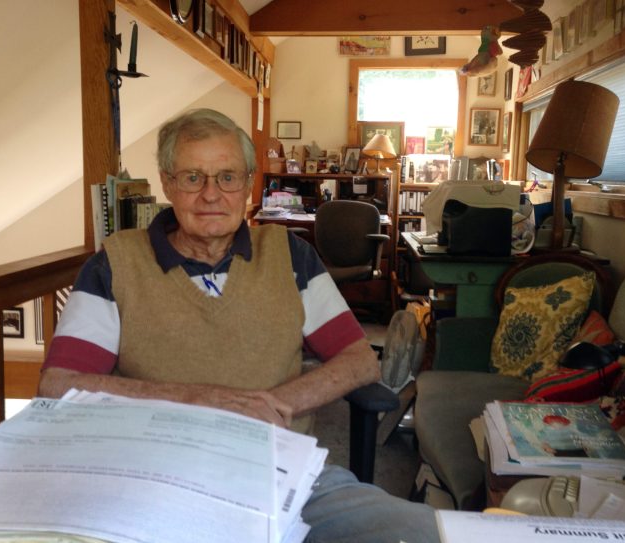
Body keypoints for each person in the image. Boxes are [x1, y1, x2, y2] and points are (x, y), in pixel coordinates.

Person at [38, 108, 439, 543]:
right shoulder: (115, 265)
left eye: (227, 177)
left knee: (420, 533)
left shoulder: (290, 255)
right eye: (193, 177)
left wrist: (273, 406)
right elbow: (59, 385)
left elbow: (360, 361)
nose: (211, 194)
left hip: (282, 475)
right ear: (168, 183)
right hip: (158, 477)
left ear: (248, 182)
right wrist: (201, 399)